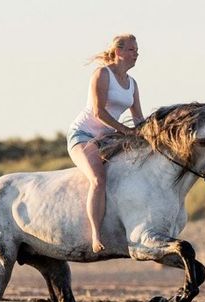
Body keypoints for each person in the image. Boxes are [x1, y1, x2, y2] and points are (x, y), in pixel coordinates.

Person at [67, 34, 144, 253]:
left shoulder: (132, 84)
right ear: (118, 52)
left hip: (108, 139)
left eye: (137, 50)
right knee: (98, 179)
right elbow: (99, 112)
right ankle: (96, 236)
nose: (136, 54)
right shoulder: (102, 74)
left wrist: (149, 135)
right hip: (83, 135)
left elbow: (138, 118)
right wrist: (126, 131)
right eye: (131, 49)